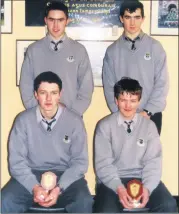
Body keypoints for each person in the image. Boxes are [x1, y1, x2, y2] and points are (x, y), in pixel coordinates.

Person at [2, 71, 93, 213]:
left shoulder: (75, 122)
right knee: (6, 200)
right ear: (36, 95)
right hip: (31, 174)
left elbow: (80, 163)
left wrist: (58, 188)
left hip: (65, 176)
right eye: (43, 93)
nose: (49, 98)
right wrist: (35, 187)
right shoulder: (23, 121)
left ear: (60, 94)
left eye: (54, 93)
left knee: (84, 201)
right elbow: (16, 161)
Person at [93, 77, 177, 213]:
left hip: (142, 178)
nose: (128, 106)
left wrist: (147, 188)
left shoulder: (149, 126)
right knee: (105, 210)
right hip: (113, 180)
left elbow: (153, 162)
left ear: (139, 101)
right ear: (116, 100)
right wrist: (119, 188)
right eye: (123, 100)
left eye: (133, 101)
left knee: (168, 205)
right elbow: (103, 165)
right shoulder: (104, 126)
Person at [102, 0, 169, 134]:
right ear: (121, 19)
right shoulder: (112, 51)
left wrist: (148, 111)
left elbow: (162, 83)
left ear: (143, 19)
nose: (132, 23)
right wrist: (121, 114)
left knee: (149, 155)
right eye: (128, 17)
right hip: (122, 116)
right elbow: (109, 87)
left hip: (150, 116)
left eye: (137, 17)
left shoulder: (155, 47)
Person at [20, 1, 94, 116]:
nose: (55, 25)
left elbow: (86, 89)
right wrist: (39, 113)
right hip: (39, 118)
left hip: (71, 118)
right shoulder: (33, 50)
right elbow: (26, 87)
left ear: (67, 21)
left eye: (60, 20)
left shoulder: (79, 50)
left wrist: (72, 113)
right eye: (51, 20)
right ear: (45, 21)